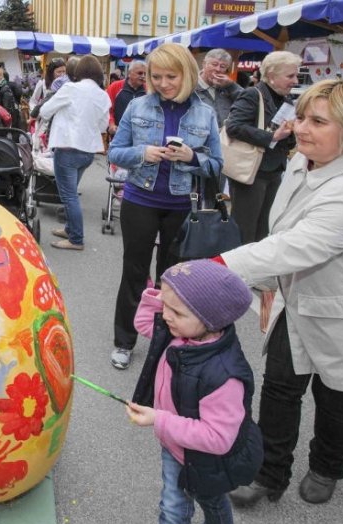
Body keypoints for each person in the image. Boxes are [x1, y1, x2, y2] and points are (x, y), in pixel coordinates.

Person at [220, 79, 343, 507]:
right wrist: (268, 283)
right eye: (301, 115)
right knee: (280, 388)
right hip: (295, 299)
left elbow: (297, 245)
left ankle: (327, 467)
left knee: (336, 397)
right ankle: (269, 473)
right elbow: (281, 229)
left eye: (317, 121)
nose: (300, 127)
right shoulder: (299, 163)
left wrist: (218, 267)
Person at [127, 260, 260, 524]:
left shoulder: (224, 376)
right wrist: (160, 296)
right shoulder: (180, 331)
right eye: (166, 306)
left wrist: (159, 420)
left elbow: (218, 438)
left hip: (208, 457)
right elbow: (142, 323)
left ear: (209, 319)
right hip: (176, 445)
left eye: (176, 311)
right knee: (196, 501)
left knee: (184, 509)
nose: (166, 316)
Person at [107, 43, 222, 370]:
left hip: (182, 205)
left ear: (186, 74)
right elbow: (115, 152)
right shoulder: (137, 107)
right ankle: (124, 340)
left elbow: (216, 164)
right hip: (140, 199)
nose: (163, 83)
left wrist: (191, 158)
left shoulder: (205, 113)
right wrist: (143, 153)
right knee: (134, 273)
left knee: (172, 278)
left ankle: (165, 341)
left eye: (171, 76)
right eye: (156, 76)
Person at [225, 51, 300, 244]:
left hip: (273, 170)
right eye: (290, 76)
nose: (295, 80)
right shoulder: (252, 94)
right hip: (251, 171)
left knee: (263, 227)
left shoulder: (286, 100)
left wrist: (292, 133)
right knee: (245, 228)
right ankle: (237, 270)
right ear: (273, 76)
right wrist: (271, 136)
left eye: (296, 75)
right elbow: (234, 127)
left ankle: (254, 271)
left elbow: (283, 139)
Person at [39, 56, 110, 251]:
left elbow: (45, 110)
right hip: (88, 151)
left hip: (67, 148)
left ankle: (76, 238)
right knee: (72, 194)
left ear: (78, 72)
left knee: (69, 196)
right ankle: (70, 229)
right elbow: (103, 125)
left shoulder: (70, 88)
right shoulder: (103, 95)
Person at [195, 49, 242, 204]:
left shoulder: (227, 88)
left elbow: (249, 101)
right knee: (192, 194)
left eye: (222, 67)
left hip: (221, 149)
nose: (217, 69)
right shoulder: (191, 87)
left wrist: (231, 86)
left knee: (214, 194)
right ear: (204, 64)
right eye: (214, 64)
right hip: (196, 147)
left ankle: (208, 224)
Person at [106, 60, 147, 136]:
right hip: (118, 134)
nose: (143, 76)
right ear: (129, 73)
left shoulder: (148, 90)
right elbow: (107, 109)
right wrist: (111, 124)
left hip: (140, 136)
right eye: (140, 73)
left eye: (145, 74)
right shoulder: (115, 87)